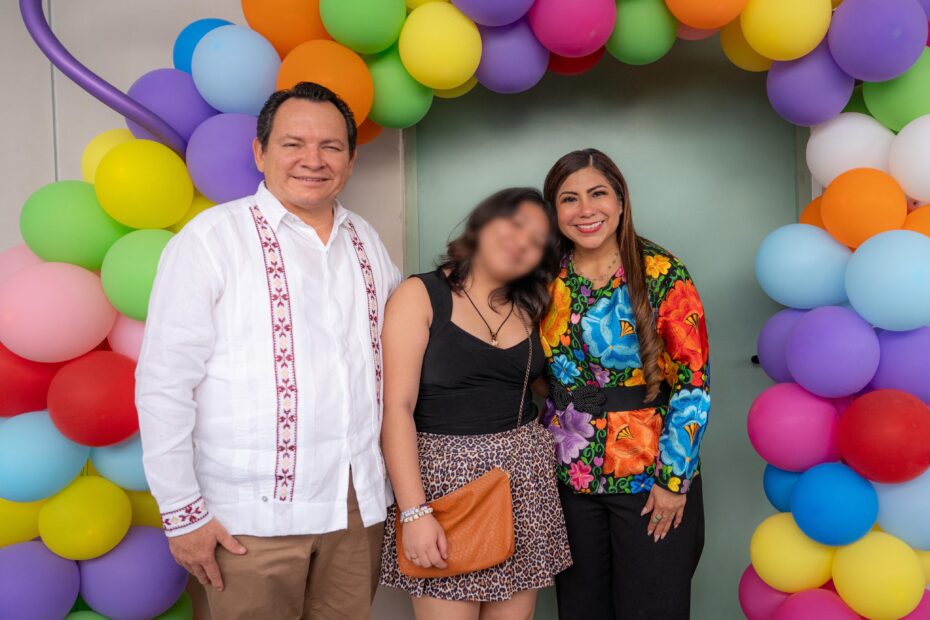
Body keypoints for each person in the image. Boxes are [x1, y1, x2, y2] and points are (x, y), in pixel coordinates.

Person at [136, 82, 402, 619]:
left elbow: (398, 360)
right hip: (248, 520)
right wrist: (183, 515)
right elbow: (164, 384)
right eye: (292, 144)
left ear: (351, 160)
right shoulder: (211, 239)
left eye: (331, 146)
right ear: (260, 152)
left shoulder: (367, 241)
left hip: (357, 510)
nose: (313, 160)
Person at [378, 188, 573, 619]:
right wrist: (414, 513)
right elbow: (396, 409)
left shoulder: (531, 305)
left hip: (525, 486)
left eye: (537, 241)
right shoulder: (420, 294)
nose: (521, 242)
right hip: (445, 490)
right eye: (515, 224)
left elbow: (536, 383)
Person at [539, 149, 710, 619]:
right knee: (581, 608)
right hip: (570, 472)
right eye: (569, 199)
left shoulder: (661, 271)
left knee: (652, 608)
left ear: (619, 201)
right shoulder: (544, 275)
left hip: (649, 474)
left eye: (598, 194)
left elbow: (693, 383)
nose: (585, 210)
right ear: (554, 210)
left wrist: (674, 481)